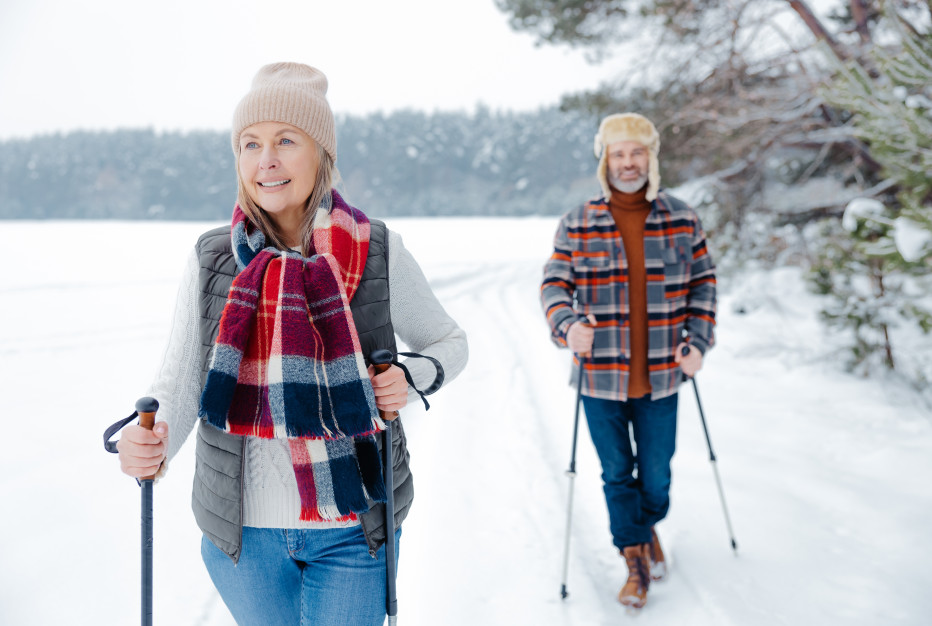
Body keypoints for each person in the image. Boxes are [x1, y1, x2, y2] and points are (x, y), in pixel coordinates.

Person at [115, 62, 468, 626]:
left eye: (286, 140)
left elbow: (449, 343)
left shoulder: (376, 250)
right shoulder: (213, 258)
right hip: (242, 536)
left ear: (321, 154)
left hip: (354, 528)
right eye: (250, 144)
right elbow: (181, 380)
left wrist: (410, 376)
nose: (266, 160)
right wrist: (146, 443)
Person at [540, 112, 716, 609]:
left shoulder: (682, 218)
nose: (628, 162)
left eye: (636, 152)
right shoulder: (578, 222)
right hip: (600, 378)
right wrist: (567, 325)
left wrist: (698, 343)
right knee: (617, 471)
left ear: (650, 157)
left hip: (663, 372)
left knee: (656, 475)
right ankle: (635, 558)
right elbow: (555, 285)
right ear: (606, 160)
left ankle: (646, 524)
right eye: (618, 153)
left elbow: (704, 284)